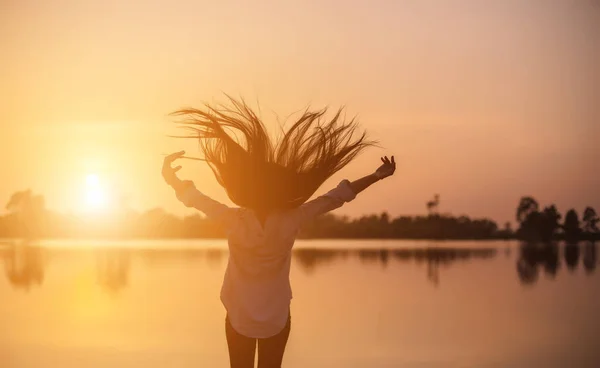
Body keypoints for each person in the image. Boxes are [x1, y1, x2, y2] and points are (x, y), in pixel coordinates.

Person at [162, 97, 396, 368]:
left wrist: (171, 179)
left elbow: (194, 198)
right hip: (276, 319)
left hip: (238, 316)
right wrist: (376, 175)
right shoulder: (292, 218)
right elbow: (337, 197)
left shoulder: (232, 219)